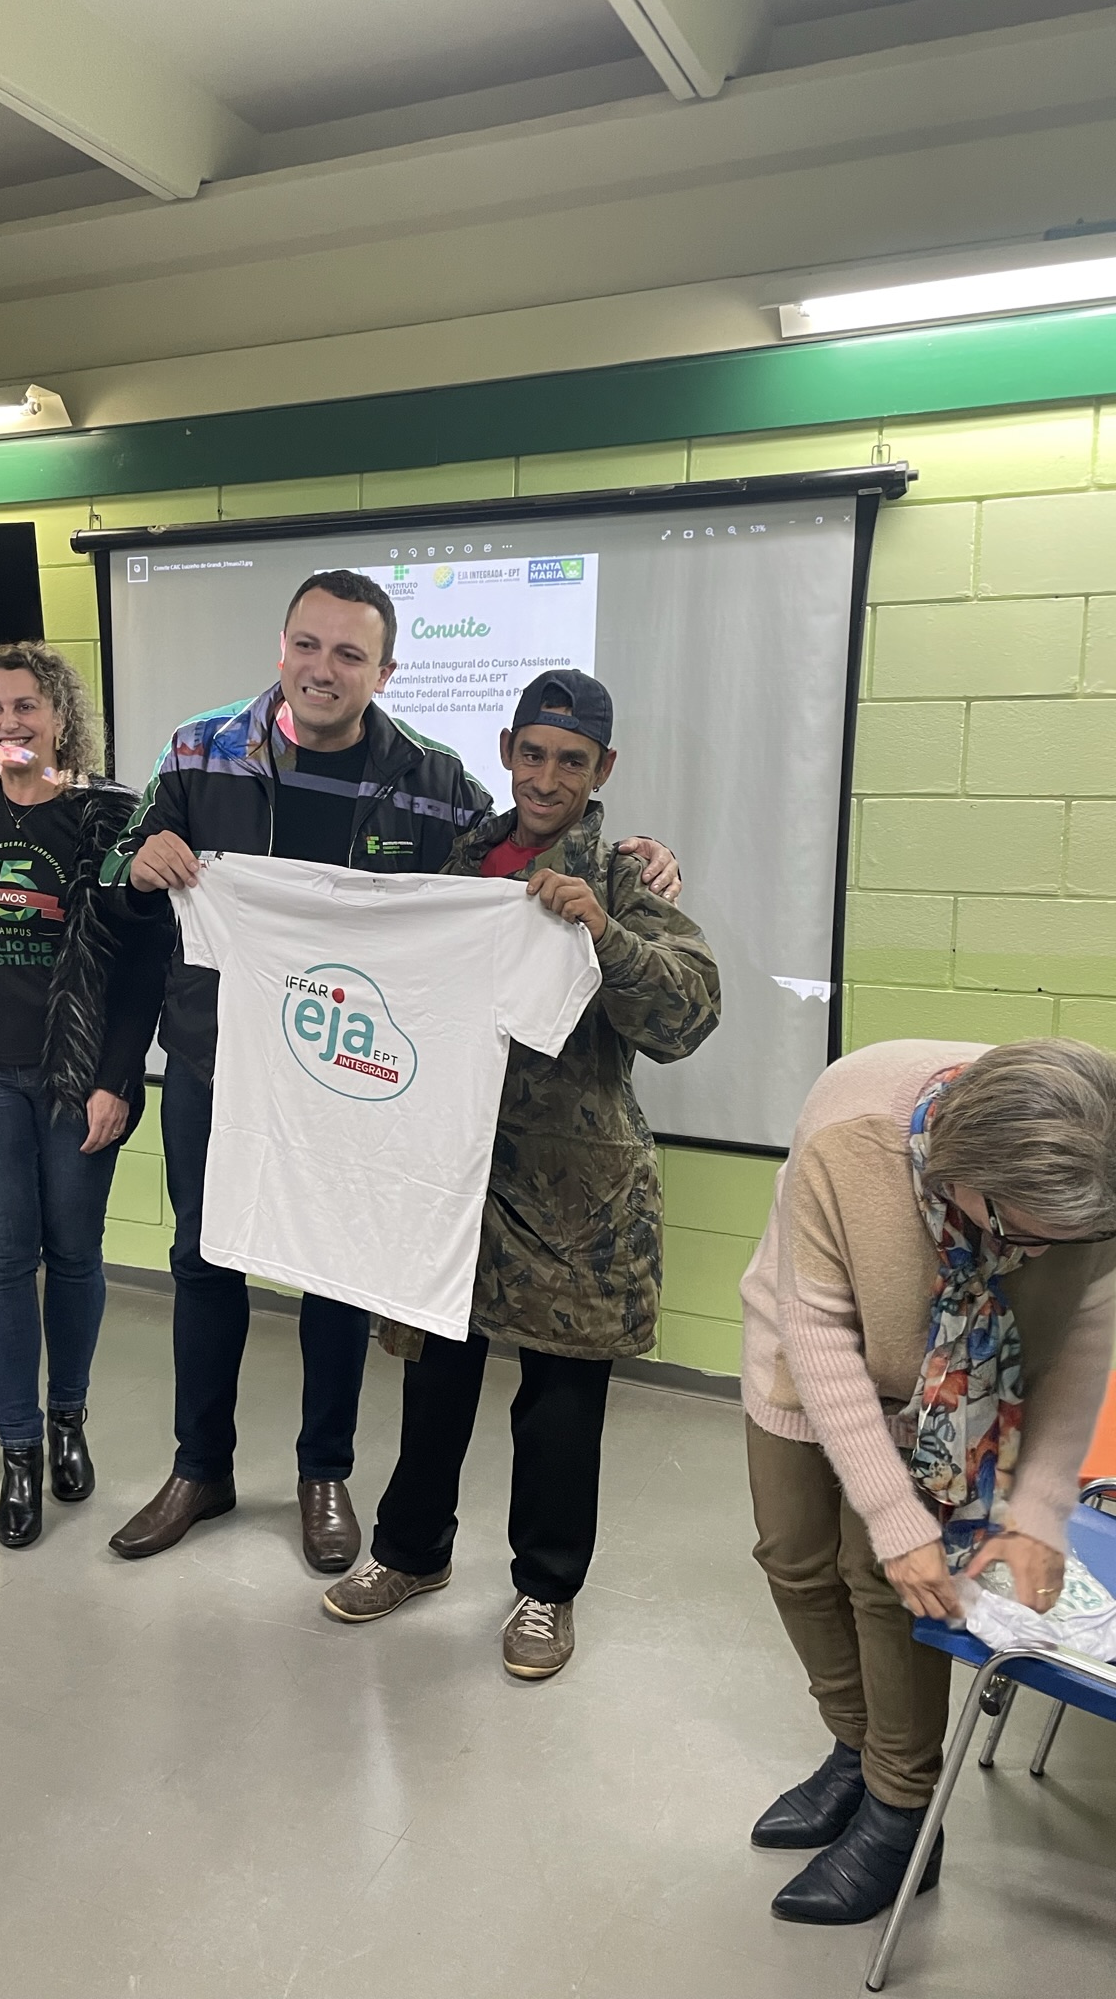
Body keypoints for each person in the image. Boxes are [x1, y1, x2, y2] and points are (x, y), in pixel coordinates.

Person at [105, 585, 683, 1575]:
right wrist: (137, 859)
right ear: (281, 646)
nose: (322, 668)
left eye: (349, 654)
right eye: (307, 644)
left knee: (345, 1266)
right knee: (203, 1258)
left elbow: (515, 861)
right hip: (220, 1059)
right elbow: (122, 871)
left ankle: (324, 1472)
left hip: (353, 1067)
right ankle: (199, 1467)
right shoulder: (200, 750)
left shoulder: (434, 780)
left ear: (385, 671)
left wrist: (636, 856)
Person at [321, 669, 720, 1676]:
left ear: (603, 769)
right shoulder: (459, 858)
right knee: (433, 1383)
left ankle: (546, 1590)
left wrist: (606, 932)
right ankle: (410, 1553)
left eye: (571, 761)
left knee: (560, 1408)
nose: (547, 777)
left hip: (575, 1195)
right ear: (506, 751)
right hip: (454, 1178)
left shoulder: (621, 878)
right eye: (533, 754)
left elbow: (690, 1012)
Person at [739, 1037, 1116, 1926]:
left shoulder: (1094, 1175)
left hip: (981, 1383)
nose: (1041, 1255)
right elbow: (818, 1329)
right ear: (962, 1176)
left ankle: (900, 1809)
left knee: (890, 1589)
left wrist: (1037, 1512)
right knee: (795, 1560)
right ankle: (855, 1752)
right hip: (818, 1350)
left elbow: (1082, 1341)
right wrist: (894, 1515)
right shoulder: (851, 1128)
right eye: (1024, 1234)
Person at [0, 644, 171, 1549]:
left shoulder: (108, 819)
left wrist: (117, 1078)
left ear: (60, 716)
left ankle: (68, 1422)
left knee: (77, 1255)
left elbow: (143, 963)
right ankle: (17, 1449)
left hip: (76, 1077)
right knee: (3, 1262)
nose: (8, 723)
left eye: (26, 706)